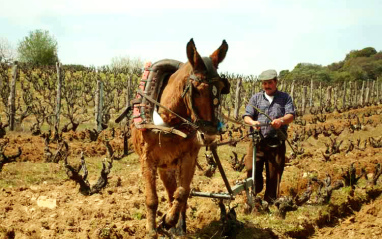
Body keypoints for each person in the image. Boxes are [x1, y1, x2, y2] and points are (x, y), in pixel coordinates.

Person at [242, 69, 295, 203]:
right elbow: (246, 116)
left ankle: (270, 201)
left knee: (274, 175)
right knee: (251, 168)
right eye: (264, 83)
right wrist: (253, 122)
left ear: (276, 82)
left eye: (269, 83)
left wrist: (281, 121)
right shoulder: (256, 98)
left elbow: (291, 115)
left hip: (276, 142)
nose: (267, 86)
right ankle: (255, 191)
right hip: (257, 142)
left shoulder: (285, 98)